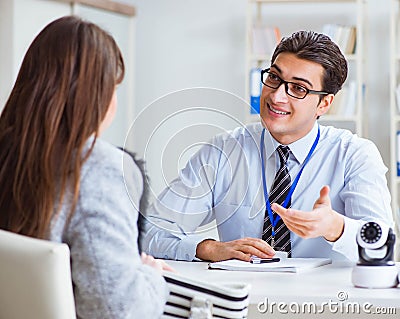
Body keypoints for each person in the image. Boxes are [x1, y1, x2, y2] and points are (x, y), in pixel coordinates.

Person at [141, 30, 393, 263]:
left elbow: (382, 246)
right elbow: (149, 231)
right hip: (242, 302)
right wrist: (208, 248)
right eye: (274, 77)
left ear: (324, 104)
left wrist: (336, 228)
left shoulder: (354, 155)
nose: (276, 96)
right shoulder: (223, 151)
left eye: (298, 88)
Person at [0, 16, 172, 319]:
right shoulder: (99, 168)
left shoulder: (9, 151)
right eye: (113, 89)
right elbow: (119, 310)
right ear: (95, 94)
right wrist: (151, 277)